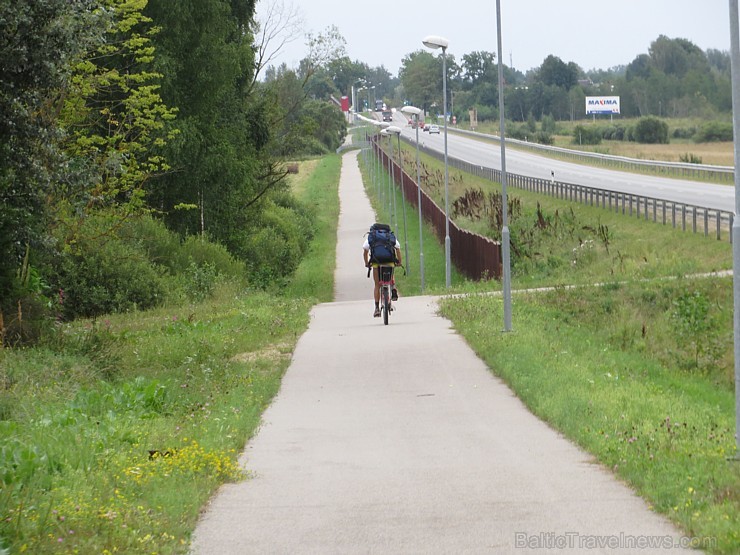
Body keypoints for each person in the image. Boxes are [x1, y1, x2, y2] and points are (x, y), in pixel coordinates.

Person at [363, 232, 402, 317]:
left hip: (376, 263)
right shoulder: (390, 237)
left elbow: (365, 251)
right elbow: (398, 249)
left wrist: (367, 263)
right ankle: (393, 287)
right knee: (391, 271)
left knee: (377, 285)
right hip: (389, 262)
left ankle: (377, 308)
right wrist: (399, 262)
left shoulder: (372, 237)